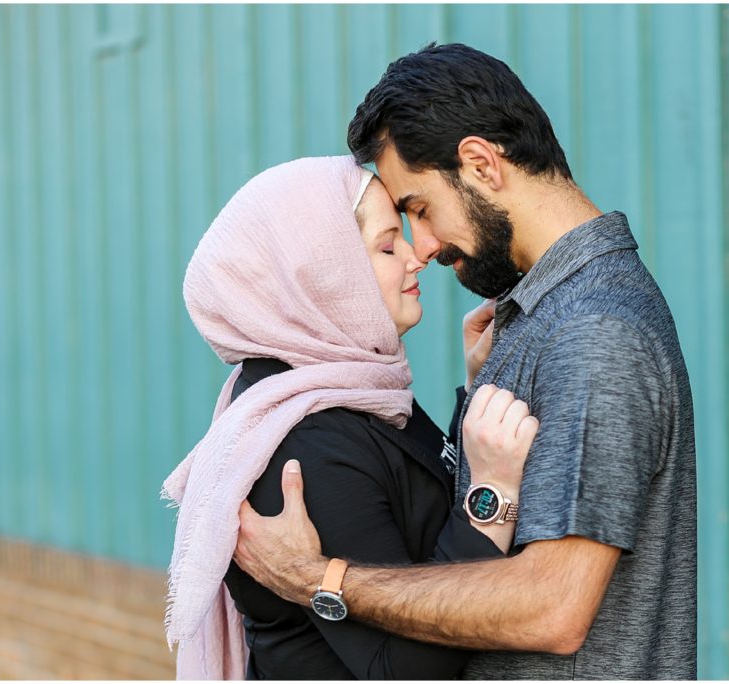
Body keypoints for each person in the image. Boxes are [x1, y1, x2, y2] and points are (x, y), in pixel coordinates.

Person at [233, 43, 698, 679]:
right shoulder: (536, 316)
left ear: (481, 164)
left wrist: (318, 578)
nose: (422, 246)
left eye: (419, 209)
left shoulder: (594, 333)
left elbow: (553, 608)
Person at [162, 155, 539, 679]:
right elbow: (403, 667)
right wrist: (492, 498)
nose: (416, 257)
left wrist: (478, 389)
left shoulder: (346, 392)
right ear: (322, 277)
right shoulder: (307, 448)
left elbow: (418, 500)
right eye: (387, 245)